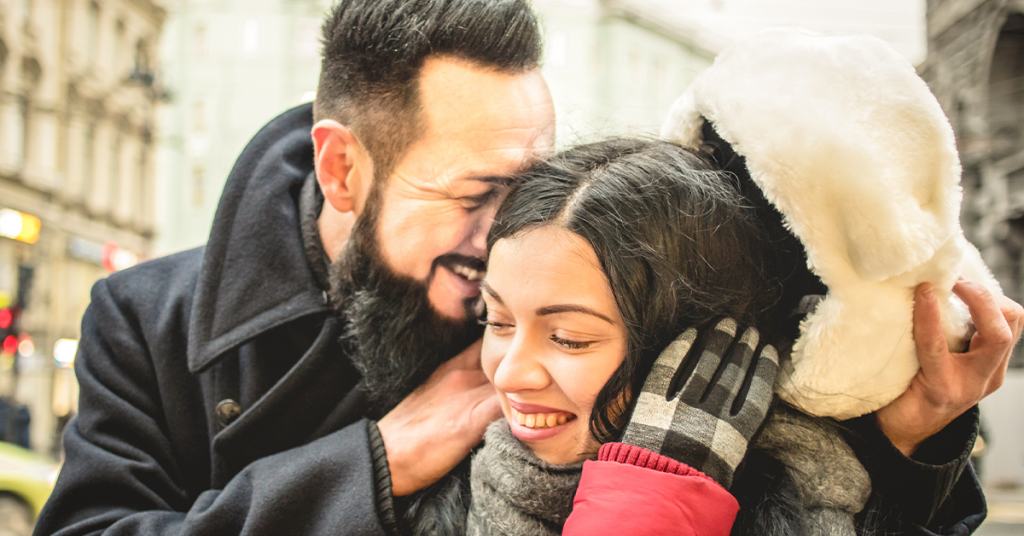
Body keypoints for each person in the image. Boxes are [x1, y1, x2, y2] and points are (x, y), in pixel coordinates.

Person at [35, 1, 1022, 535]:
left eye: (533, 178)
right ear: (343, 168)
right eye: (474, 192)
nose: (513, 234)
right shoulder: (145, 319)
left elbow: (799, 474)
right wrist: (369, 467)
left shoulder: (562, 285)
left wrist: (911, 442)